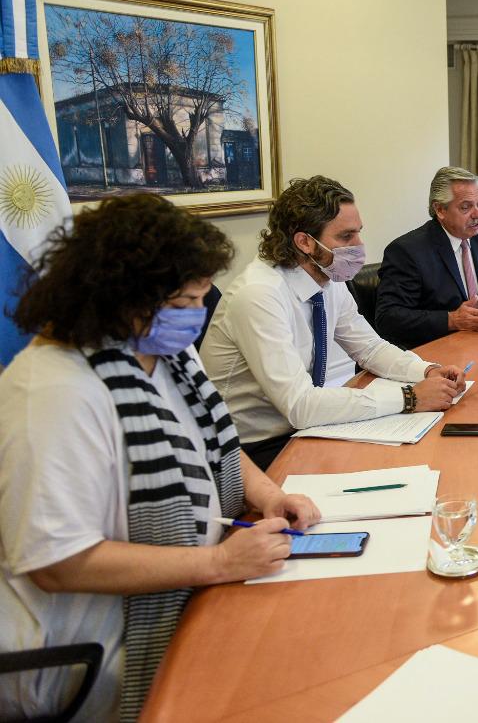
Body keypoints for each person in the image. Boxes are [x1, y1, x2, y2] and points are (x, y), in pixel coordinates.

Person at [0, 195, 321, 722]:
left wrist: (271, 496)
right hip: (87, 653)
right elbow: (56, 563)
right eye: (184, 302)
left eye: (202, 297)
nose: (198, 316)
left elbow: (213, 444)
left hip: (184, 597)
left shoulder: (163, 348)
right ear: (121, 299)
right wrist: (217, 563)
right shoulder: (52, 392)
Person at [200, 176, 465, 470]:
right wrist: (409, 397)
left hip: (302, 428)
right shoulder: (259, 295)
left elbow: (369, 348)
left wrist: (427, 371)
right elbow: (300, 406)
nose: (359, 246)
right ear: (304, 242)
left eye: (358, 234)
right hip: (248, 449)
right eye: (346, 237)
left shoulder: (327, 277)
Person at [375, 166, 478, 349]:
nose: (477, 215)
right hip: (435, 350)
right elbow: (388, 318)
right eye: (466, 207)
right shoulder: (407, 251)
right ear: (440, 210)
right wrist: (451, 320)